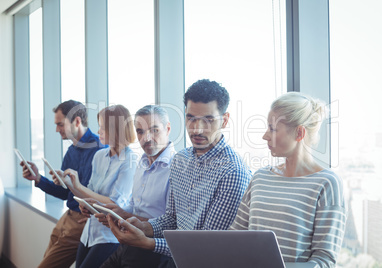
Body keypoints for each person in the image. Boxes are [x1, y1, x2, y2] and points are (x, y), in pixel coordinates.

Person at [102, 79, 252, 268]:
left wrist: (148, 242)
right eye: (191, 118)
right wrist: (144, 227)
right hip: (172, 258)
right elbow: (172, 218)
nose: (197, 128)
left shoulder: (232, 173)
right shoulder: (180, 160)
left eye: (208, 120)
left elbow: (207, 245)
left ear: (225, 119)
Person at [230, 92, 346, 268]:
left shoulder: (326, 183)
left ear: (299, 133)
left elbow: (324, 260)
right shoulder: (260, 177)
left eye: (273, 129)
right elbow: (235, 236)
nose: (265, 136)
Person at [20, 100, 104, 268]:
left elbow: (96, 194)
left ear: (77, 121)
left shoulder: (99, 150)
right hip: (68, 216)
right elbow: (66, 192)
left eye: (60, 124)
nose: (57, 130)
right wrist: (38, 179)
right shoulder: (72, 150)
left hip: (82, 221)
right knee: (45, 260)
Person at [57, 104, 136, 268]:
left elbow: (115, 203)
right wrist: (73, 188)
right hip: (89, 232)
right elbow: (89, 192)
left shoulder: (130, 161)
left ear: (116, 129)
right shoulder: (99, 156)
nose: (98, 131)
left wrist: (79, 187)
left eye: (102, 128)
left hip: (109, 236)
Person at [98, 105, 176, 267]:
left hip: (153, 252)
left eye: (154, 130)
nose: (146, 138)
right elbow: (134, 205)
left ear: (167, 129)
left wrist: (124, 216)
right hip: (128, 243)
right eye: (140, 131)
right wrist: (116, 212)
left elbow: (173, 223)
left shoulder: (176, 169)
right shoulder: (141, 162)